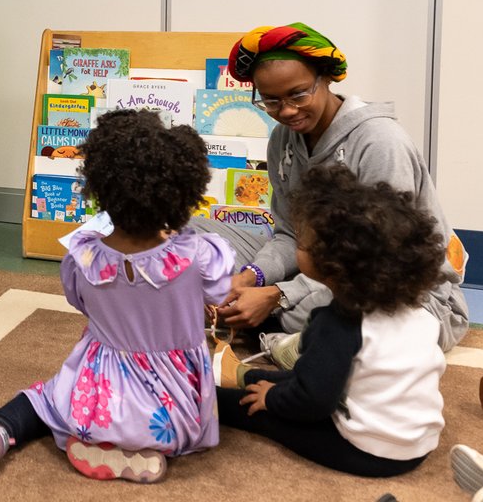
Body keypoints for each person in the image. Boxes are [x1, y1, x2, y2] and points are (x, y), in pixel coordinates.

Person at [0, 110, 234, 483]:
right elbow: (220, 291)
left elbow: (79, 301)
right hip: (172, 407)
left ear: (98, 186)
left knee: (43, 400)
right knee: (178, 427)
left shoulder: (83, 257)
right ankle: (136, 452)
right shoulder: (199, 255)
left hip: (93, 396)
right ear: (185, 192)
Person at [194, 22, 468, 351]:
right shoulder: (282, 139)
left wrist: (278, 295)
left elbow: (384, 264)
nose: (287, 111)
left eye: (298, 94)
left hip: (396, 288)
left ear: (325, 77)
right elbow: (289, 235)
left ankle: (279, 331)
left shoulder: (380, 142)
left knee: (332, 317)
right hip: (316, 270)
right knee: (190, 235)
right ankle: (265, 320)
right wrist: (252, 276)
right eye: (271, 102)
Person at [218, 163, 447, 477]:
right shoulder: (420, 315)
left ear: (331, 264)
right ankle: (245, 374)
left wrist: (271, 398)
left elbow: (312, 401)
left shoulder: (338, 324)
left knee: (244, 407)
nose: (297, 248)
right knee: (304, 378)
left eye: (300, 245)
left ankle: (209, 395)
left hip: (369, 452)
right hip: (419, 446)